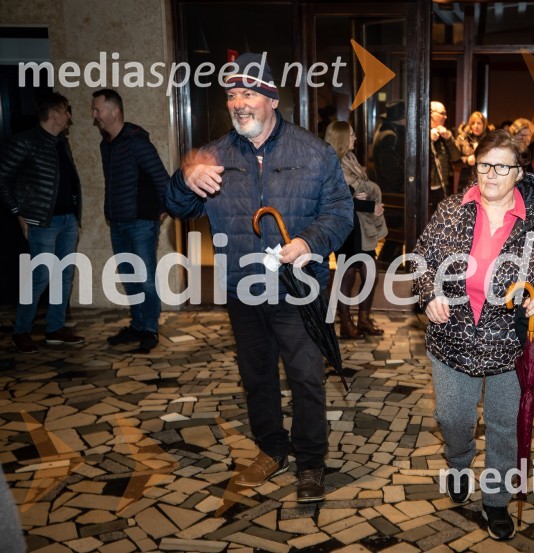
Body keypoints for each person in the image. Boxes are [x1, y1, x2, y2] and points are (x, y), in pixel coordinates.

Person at [165, 53, 353, 501]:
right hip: (242, 288)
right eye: (231, 95)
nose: (238, 103)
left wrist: (308, 242)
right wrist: (182, 179)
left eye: (247, 93)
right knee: (257, 376)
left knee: (306, 376)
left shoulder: (314, 152)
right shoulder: (213, 157)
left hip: (298, 288)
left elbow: (341, 213)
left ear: (270, 98)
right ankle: (271, 449)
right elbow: (177, 209)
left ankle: (310, 462)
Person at [412, 130, 534, 540]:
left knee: (504, 424)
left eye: (502, 166)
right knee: (453, 417)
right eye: (484, 165)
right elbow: (420, 260)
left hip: (511, 344)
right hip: (453, 339)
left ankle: (496, 500)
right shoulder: (451, 210)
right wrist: (429, 294)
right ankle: (459, 461)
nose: (491, 174)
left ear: (519, 173)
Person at [0, 92, 84, 354]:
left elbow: (68, 181)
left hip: (68, 220)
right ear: (55, 112)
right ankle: (21, 331)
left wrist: (76, 216)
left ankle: (55, 329)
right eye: (66, 110)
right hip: (42, 223)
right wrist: (18, 212)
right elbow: (3, 179)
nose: (70, 115)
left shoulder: (62, 143)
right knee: (41, 276)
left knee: (64, 275)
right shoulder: (25, 142)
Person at [92, 88, 169, 351]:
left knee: (145, 278)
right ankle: (137, 325)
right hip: (118, 222)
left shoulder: (137, 142)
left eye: (98, 110)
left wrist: (161, 207)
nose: (95, 115)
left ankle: (150, 329)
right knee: (129, 277)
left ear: (114, 111)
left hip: (140, 223)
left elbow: (162, 179)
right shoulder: (106, 145)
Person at [324, 121, 387, 339]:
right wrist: (370, 205)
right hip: (344, 226)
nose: (355, 138)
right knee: (347, 275)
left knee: (370, 272)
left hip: (361, 225)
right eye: (351, 134)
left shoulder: (350, 159)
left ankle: (363, 319)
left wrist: (359, 197)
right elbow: (339, 200)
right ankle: (346, 323)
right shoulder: (331, 163)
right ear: (341, 138)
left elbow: (356, 194)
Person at [372, 100, 406, 263]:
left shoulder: (385, 132)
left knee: (395, 238)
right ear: (401, 120)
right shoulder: (390, 137)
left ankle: (391, 268)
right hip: (392, 193)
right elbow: (390, 171)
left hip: (389, 191)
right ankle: (383, 267)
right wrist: (401, 190)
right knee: (394, 237)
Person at [428, 101, 460, 212]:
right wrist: (429, 140)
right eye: (442, 113)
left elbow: (456, 159)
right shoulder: (420, 132)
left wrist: (448, 139)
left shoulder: (445, 134)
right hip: (426, 189)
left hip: (442, 187)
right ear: (431, 113)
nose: (445, 117)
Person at [455, 111, 492, 190]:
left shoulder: (490, 140)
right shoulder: (463, 139)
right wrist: (467, 161)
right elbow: (455, 161)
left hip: (485, 180)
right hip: (466, 181)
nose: (476, 126)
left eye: (479, 123)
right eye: (473, 123)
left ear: (484, 125)